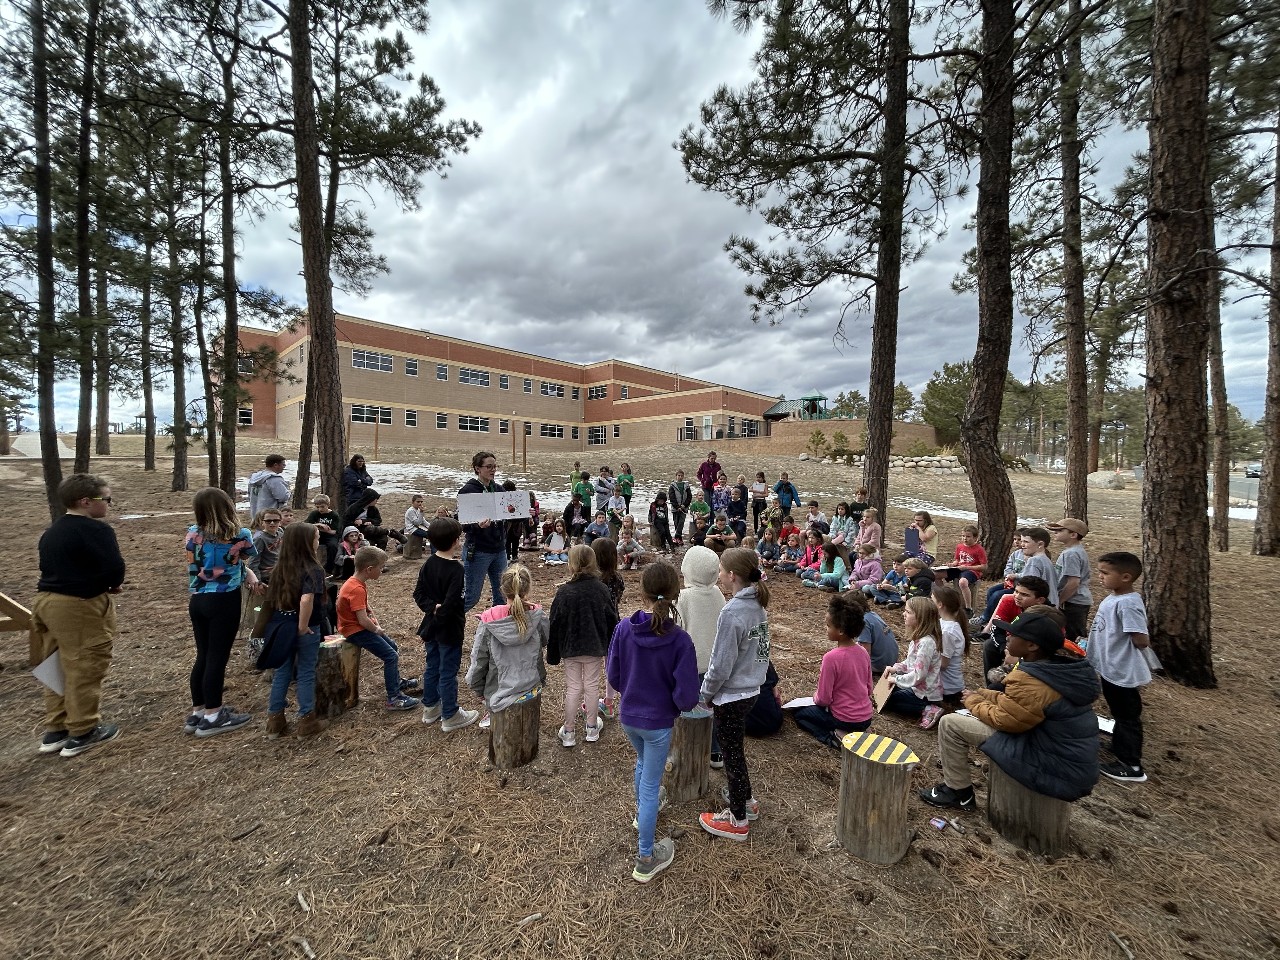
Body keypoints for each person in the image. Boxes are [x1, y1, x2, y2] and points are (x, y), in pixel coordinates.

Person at [919, 609, 1100, 810]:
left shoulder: (1031, 680)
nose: (1008, 638)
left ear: (1032, 645)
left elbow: (1005, 720)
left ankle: (957, 792)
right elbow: (1018, 704)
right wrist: (983, 694)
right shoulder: (1052, 669)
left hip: (1053, 764)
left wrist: (974, 703)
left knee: (950, 724)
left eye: (1014, 635)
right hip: (1061, 754)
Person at [607, 561, 700, 882]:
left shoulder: (623, 629)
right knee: (650, 786)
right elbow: (687, 697)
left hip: (629, 717)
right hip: (658, 723)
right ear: (676, 593)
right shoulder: (680, 641)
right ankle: (646, 856)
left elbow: (614, 676)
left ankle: (640, 817)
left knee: (643, 765)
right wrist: (670, 702)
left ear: (642, 591)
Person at [31, 474, 126, 757]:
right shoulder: (97, 530)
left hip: (46, 603)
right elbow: (114, 568)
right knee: (84, 666)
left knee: (55, 666)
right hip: (78, 606)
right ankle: (83, 731)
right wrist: (111, 583)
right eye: (106, 499)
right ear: (86, 501)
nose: (108, 504)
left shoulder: (53, 530)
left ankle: (56, 729)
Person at [698, 548, 770, 841]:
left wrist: (706, 692)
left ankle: (738, 820)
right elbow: (762, 652)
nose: (718, 575)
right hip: (751, 689)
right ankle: (748, 802)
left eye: (721, 570)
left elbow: (720, 664)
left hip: (731, 696)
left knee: (732, 756)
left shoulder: (731, 613)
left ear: (732, 576)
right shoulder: (758, 606)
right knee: (735, 750)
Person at [185, 487, 261, 739]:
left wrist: (243, 571)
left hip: (197, 599)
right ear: (227, 507)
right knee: (218, 656)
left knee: (203, 654)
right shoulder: (239, 534)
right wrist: (244, 570)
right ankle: (214, 715)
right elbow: (250, 554)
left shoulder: (193, 533)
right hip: (223, 601)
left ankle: (198, 712)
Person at [1088, 551, 1151, 783]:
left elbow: (1141, 639)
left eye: (1105, 573)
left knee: (1127, 717)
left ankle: (1131, 765)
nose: (1100, 577)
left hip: (1122, 670)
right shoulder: (1115, 597)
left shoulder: (1128, 604)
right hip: (1110, 667)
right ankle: (1119, 745)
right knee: (1119, 713)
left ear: (1125, 577)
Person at [264, 522, 330, 739]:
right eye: (316, 537)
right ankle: (306, 721)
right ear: (306, 542)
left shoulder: (280, 567)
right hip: (306, 627)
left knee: (282, 672)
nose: (318, 540)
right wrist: (303, 626)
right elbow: (307, 598)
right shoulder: (313, 569)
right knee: (305, 671)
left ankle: (275, 721)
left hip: (281, 624)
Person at [413, 516, 480, 732]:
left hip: (432, 625)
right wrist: (436, 611)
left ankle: (430, 707)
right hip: (448, 629)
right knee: (447, 671)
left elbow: (419, 594)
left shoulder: (429, 563)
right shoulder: (457, 569)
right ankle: (450, 714)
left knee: (432, 666)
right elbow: (452, 604)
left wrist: (431, 609)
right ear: (455, 541)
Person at [548, 545, 617, 747]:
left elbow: (554, 622)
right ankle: (592, 728)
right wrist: (612, 646)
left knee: (574, 688)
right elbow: (612, 619)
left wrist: (553, 653)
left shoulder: (564, 592)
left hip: (571, 647)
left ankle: (569, 731)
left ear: (571, 564)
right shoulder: (601, 589)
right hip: (594, 645)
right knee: (592, 686)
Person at [337, 546, 421, 712]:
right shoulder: (356, 588)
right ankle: (394, 697)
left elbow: (366, 608)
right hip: (355, 631)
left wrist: (375, 621)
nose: (382, 571)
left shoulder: (357, 583)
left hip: (360, 626)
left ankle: (396, 681)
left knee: (393, 647)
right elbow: (362, 620)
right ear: (369, 569)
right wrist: (376, 630)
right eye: (381, 568)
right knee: (391, 656)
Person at [466, 564, 548, 728]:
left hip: (498, 690)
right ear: (528, 588)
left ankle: (492, 714)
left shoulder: (489, 623)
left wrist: (478, 689)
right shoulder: (538, 617)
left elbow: (478, 661)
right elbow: (545, 641)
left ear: (502, 589)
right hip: (532, 683)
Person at [793, 594, 875, 746]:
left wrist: (814, 697)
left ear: (841, 630)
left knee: (800, 715)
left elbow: (824, 699)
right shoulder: (863, 652)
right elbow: (869, 687)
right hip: (865, 718)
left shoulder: (831, 658)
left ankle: (833, 737)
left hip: (843, 719)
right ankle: (858, 732)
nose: (826, 629)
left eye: (828, 626)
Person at [677, 546, 727, 766]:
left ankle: (691, 748)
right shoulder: (717, 593)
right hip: (716, 664)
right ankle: (715, 752)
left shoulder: (684, 597)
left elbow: (678, 628)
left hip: (692, 664)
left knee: (692, 709)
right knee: (714, 708)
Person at [882, 595, 944, 728]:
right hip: (916, 686)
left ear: (921, 618)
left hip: (924, 693)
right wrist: (896, 668)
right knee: (885, 693)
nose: (904, 614)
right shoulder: (918, 638)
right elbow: (911, 663)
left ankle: (928, 708)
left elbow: (918, 675)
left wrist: (896, 679)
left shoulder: (926, 643)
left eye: (908, 612)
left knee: (892, 701)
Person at [458, 452, 507, 613]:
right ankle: (444, 623)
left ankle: (497, 629)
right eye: (489, 467)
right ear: (477, 468)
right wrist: (477, 526)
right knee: (471, 596)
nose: (493, 470)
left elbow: (507, 514)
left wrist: (523, 514)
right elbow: (463, 524)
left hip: (499, 550)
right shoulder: (468, 491)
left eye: (495, 466)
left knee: (503, 594)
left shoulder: (499, 489)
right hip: (478, 550)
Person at [982, 575, 1052, 687]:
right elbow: (996, 629)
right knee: (989, 645)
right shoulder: (1009, 600)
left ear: (1040, 600)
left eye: (1024, 595)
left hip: (1035, 650)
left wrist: (1019, 657)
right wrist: (1006, 651)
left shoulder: (1048, 614)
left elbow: (1048, 646)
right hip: (1013, 642)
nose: (1017, 596)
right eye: (1016, 591)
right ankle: (991, 687)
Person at [591, 538, 625, 719]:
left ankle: (591, 700)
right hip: (613, 625)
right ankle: (609, 702)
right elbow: (619, 597)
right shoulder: (617, 578)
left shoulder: (593, 581)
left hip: (595, 626)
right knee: (609, 665)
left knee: (592, 667)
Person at [975, 528, 1029, 628]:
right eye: (1015, 539)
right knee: (991, 590)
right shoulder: (1015, 554)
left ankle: (987, 618)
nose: (1016, 542)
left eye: (1019, 540)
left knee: (997, 595)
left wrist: (1015, 575)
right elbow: (1008, 567)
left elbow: (1028, 573)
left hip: (1020, 586)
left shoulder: (1029, 556)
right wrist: (1008, 574)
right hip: (1011, 583)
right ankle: (990, 615)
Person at [1050, 518, 1092, 640]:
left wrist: (1059, 601)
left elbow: (1073, 582)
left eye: (1060, 530)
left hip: (1074, 602)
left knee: (1074, 637)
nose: (1055, 532)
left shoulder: (1071, 554)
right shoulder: (1073, 551)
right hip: (1073, 601)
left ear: (1073, 535)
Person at [843, 589, 898, 675]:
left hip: (879, 664)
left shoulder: (863, 622)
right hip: (892, 660)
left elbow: (866, 651)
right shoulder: (872, 614)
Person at [932, 585, 970, 708]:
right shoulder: (943, 623)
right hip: (942, 685)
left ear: (940, 604)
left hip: (948, 689)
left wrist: (920, 665)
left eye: (932, 600)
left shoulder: (948, 631)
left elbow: (943, 664)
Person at [944, 524, 987, 612]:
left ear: (975, 538)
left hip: (971, 571)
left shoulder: (979, 549)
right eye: (963, 536)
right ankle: (942, 599)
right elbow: (957, 559)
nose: (965, 538)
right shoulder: (960, 546)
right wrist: (953, 564)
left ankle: (968, 607)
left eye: (968, 536)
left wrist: (967, 567)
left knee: (962, 582)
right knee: (937, 574)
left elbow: (984, 566)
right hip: (959, 568)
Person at [305, 494, 342, 573]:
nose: (320, 509)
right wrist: (318, 525)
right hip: (317, 535)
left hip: (330, 536)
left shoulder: (334, 515)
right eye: (317, 507)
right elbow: (306, 525)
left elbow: (334, 531)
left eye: (322, 507)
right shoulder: (314, 514)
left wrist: (325, 530)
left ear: (328, 505)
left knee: (333, 546)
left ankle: (329, 568)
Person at [247, 508, 284, 583]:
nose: (272, 523)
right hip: (266, 577)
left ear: (280, 522)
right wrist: (258, 582)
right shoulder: (260, 539)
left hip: (280, 573)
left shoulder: (280, 533)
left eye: (276, 521)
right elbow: (253, 562)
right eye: (268, 521)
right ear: (262, 522)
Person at [501, 480, 525, 563]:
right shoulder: (504, 499)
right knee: (510, 540)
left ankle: (512, 555)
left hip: (515, 524)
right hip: (510, 524)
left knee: (513, 540)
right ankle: (510, 555)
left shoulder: (516, 498)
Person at [668, 470, 693, 546]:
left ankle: (677, 536)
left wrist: (684, 505)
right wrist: (677, 506)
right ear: (676, 476)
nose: (680, 477)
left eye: (681, 476)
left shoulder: (686, 486)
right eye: (678, 475)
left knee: (681, 522)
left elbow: (689, 496)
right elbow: (671, 497)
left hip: (684, 508)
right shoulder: (672, 486)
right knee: (676, 523)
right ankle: (678, 538)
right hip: (675, 508)